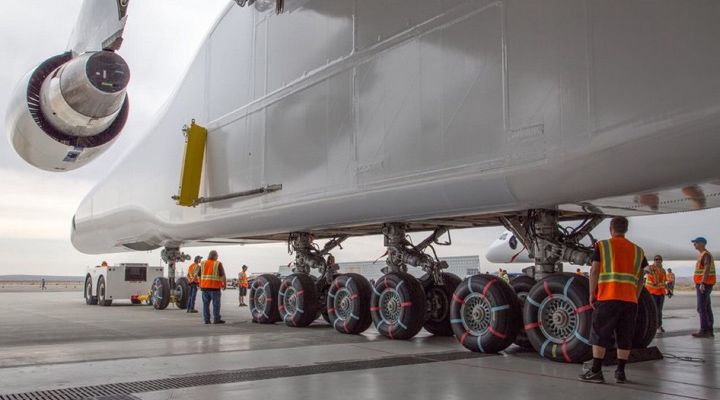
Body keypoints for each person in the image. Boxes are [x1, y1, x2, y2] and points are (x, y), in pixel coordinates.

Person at [579, 216, 647, 384]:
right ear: (626, 229)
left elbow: (594, 271)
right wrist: (635, 296)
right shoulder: (638, 250)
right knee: (625, 336)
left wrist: (591, 292)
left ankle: (596, 371)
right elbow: (641, 278)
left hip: (608, 297)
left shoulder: (603, 246)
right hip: (630, 300)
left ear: (611, 228)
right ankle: (621, 372)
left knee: (600, 334)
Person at [691, 237, 715, 338]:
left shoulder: (705, 255)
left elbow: (706, 268)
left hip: (704, 284)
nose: (694, 244)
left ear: (702, 243)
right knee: (706, 307)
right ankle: (709, 330)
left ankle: (704, 330)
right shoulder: (703, 254)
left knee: (701, 307)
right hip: (705, 283)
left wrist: (703, 283)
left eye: (695, 243)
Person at [199, 250, 227, 324]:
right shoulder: (218, 263)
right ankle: (216, 319)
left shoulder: (203, 263)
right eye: (217, 256)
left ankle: (206, 320)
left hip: (204, 288)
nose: (217, 257)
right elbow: (223, 275)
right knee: (216, 305)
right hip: (215, 288)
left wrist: (200, 284)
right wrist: (224, 284)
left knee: (205, 305)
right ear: (214, 256)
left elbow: (199, 275)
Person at [645, 255, 667, 333]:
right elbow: (643, 272)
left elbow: (664, 282)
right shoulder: (650, 267)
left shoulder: (663, 270)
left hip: (661, 293)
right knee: (653, 310)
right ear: (654, 260)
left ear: (661, 261)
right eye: (656, 259)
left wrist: (668, 289)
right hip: (652, 292)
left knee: (659, 311)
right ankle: (651, 327)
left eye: (659, 259)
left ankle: (659, 326)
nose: (657, 260)